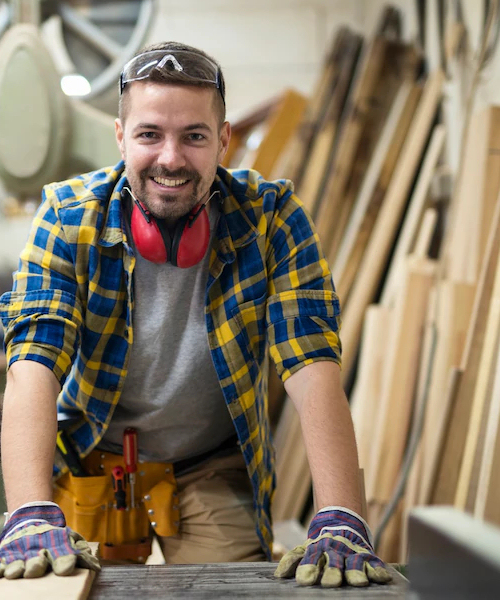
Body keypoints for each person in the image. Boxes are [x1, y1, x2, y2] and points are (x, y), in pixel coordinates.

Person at [0, 41, 391, 588]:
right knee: (68, 588)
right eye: (149, 135)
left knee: (234, 591)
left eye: (194, 136)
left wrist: (343, 515)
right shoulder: (67, 219)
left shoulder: (272, 220)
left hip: (210, 464)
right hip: (95, 462)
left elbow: (312, 366)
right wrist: (29, 512)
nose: (171, 158)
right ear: (121, 138)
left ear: (224, 140)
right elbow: (32, 365)